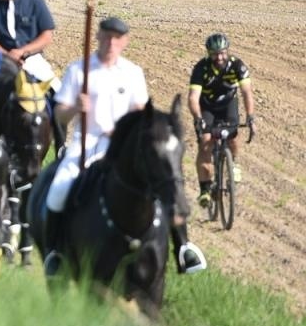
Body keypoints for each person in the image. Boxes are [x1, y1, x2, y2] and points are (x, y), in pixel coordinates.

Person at [44, 17, 205, 276]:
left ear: (124, 42)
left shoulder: (132, 73)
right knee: (59, 188)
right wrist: (75, 108)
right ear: (97, 36)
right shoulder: (79, 70)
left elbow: (141, 113)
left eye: (117, 38)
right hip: (86, 142)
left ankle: (183, 248)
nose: (111, 42)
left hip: (122, 146)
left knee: (160, 181)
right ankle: (56, 252)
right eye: (106, 36)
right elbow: (60, 113)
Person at [187, 33, 256, 208]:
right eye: (215, 53)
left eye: (222, 53)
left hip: (228, 105)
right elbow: (193, 98)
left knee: (233, 135)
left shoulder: (237, 66)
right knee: (205, 142)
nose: (219, 57)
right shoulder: (201, 68)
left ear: (227, 51)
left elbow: (247, 92)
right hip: (207, 107)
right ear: (208, 53)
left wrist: (250, 116)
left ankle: (234, 163)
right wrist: (198, 119)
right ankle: (204, 189)